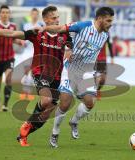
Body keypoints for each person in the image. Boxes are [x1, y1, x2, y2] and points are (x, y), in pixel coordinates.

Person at [0, 6, 73, 146]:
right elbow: (12, 34)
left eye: (58, 17)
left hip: (57, 76)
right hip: (40, 72)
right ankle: (23, 124)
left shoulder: (64, 35)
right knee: (46, 100)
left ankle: (24, 133)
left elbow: (71, 49)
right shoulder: (36, 33)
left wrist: (70, 54)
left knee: (47, 112)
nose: (57, 20)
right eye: (54, 18)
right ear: (45, 19)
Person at [37, 6, 114, 148]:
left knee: (90, 103)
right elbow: (62, 30)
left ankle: (74, 121)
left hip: (86, 72)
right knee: (65, 103)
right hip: (70, 69)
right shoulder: (82, 26)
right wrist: (47, 30)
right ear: (100, 19)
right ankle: (55, 133)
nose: (110, 24)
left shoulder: (104, 35)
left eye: (111, 21)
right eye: (108, 20)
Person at [19, 8, 45, 100]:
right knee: (26, 72)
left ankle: (29, 92)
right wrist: (21, 41)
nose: (34, 15)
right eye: (33, 14)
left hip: (36, 52)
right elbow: (21, 36)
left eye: (36, 14)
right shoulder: (25, 25)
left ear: (38, 15)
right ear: (30, 15)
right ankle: (24, 92)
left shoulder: (41, 25)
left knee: (33, 73)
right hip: (26, 51)